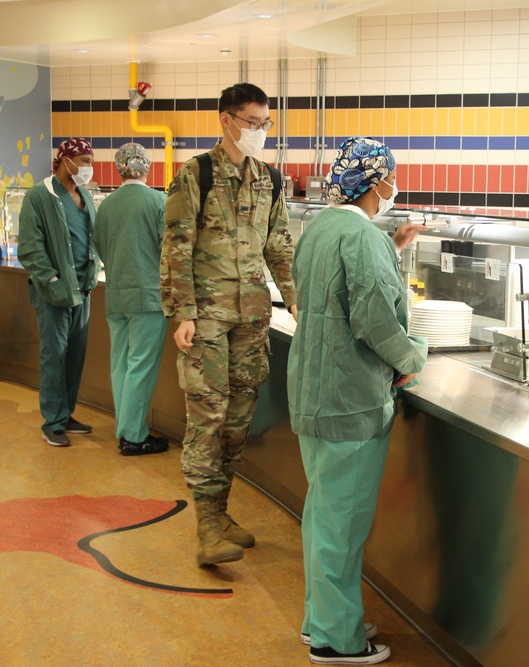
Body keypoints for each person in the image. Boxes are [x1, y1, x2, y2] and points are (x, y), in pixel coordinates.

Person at [288, 137, 427, 666]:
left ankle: (320, 617)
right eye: (390, 177)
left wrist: (391, 247)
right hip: (349, 400)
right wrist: (412, 355)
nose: (394, 186)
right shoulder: (361, 237)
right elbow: (373, 319)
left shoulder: (322, 227)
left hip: (315, 392)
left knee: (323, 515)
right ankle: (334, 641)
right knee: (340, 525)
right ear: (375, 182)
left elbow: (337, 285)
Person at [160, 83, 297, 566]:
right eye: (251, 123)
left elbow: (279, 247)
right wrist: (183, 312)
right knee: (207, 419)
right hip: (208, 321)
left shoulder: (269, 179)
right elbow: (175, 246)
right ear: (226, 120)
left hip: (252, 318)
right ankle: (206, 527)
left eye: (265, 124)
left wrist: (296, 302)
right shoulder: (194, 173)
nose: (259, 132)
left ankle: (221, 512)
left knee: (237, 423)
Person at [18, 137, 99, 447]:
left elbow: (91, 238)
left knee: (75, 356)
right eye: (85, 161)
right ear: (66, 161)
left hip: (83, 289)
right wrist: (50, 279)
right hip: (53, 291)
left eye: (91, 161)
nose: (89, 168)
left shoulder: (85, 197)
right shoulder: (41, 196)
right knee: (55, 354)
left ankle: (66, 415)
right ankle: (52, 421)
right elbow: (29, 246)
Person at [94, 143, 170, 456]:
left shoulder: (106, 205)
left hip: (115, 295)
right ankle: (134, 436)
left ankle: (124, 428)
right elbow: (170, 250)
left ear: (118, 168)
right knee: (141, 365)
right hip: (148, 297)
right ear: (148, 168)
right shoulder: (159, 201)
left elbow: (99, 246)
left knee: (120, 364)